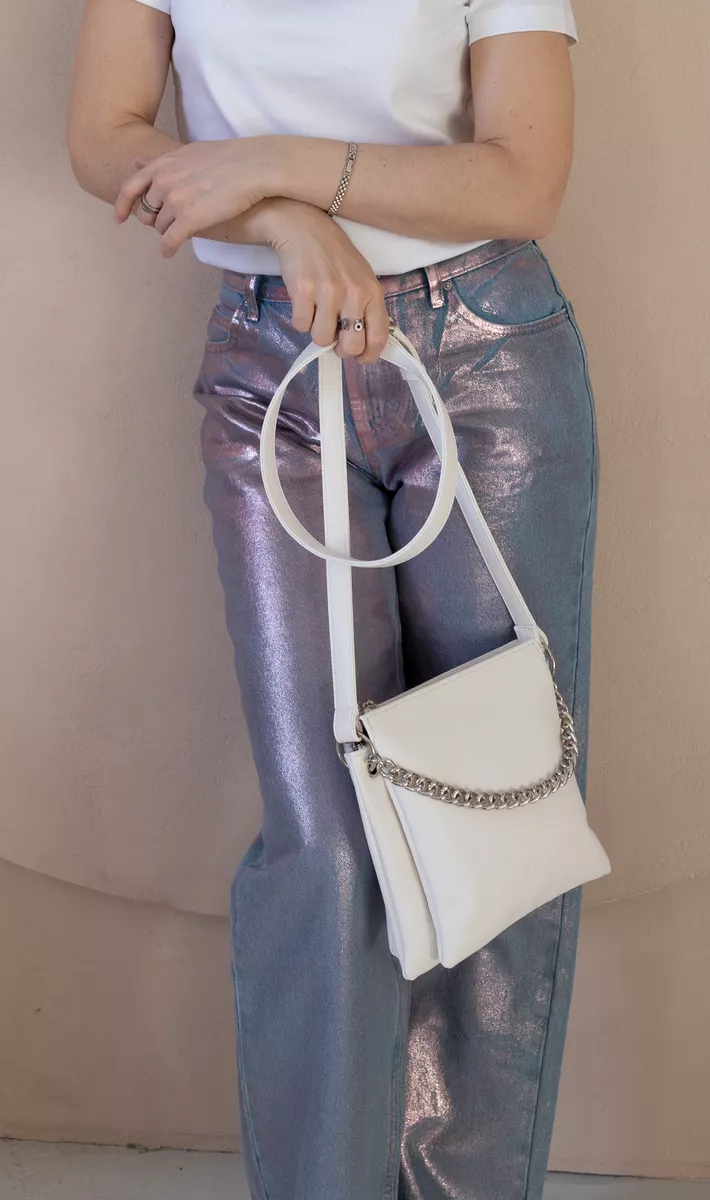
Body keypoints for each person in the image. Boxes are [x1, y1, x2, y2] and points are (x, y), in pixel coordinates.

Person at [66, 2, 599, 1197]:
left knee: (493, 810)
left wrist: (275, 162)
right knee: (327, 834)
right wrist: (282, 218)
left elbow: (524, 182)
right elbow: (105, 132)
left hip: (484, 358)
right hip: (270, 362)